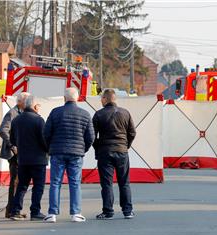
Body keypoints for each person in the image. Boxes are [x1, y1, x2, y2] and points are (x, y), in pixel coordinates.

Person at [43, 88, 94, 223]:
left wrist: (50, 147)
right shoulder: (85, 114)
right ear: (77, 98)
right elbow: (91, 137)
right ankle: (76, 213)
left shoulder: (55, 112)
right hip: (76, 154)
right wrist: (83, 149)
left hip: (57, 152)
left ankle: (52, 213)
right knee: (75, 183)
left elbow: (46, 133)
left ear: (64, 98)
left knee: (55, 182)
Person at [92, 89, 136, 220]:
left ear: (105, 99)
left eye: (102, 98)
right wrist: (125, 145)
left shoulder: (99, 114)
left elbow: (92, 135)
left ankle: (108, 211)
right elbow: (132, 132)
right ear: (115, 99)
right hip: (122, 151)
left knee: (106, 183)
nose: (101, 100)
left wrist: (98, 147)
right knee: (124, 183)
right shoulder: (125, 113)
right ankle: (127, 211)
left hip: (105, 152)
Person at [10, 96, 48, 221]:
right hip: (38, 159)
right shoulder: (39, 120)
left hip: (23, 159)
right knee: (38, 186)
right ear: (35, 106)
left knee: (22, 185)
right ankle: (35, 211)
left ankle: (16, 211)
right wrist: (48, 150)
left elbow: (12, 140)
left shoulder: (16, 120)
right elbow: (44, 140)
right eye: (39, 106)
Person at [0, 92, 30, 218]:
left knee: (18, 181)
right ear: (21, 102)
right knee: (15, 182)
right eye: (27, 101)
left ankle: (14, 209)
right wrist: (12, 146)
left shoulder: (21, 113)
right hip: (14, 154)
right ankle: (12, 210)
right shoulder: (12, 113)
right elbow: (3, 130)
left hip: (21, 153)